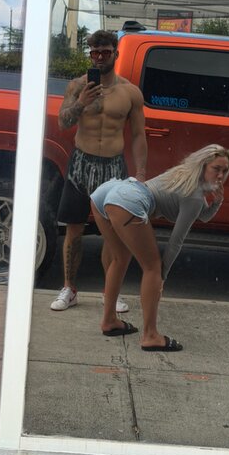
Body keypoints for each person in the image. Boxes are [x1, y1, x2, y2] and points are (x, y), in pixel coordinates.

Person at [90, 144, 229, 351]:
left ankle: (109, 321)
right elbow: (176, 241)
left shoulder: (183, 175)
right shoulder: (194, 195)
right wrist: (161, 276)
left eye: (225, 170)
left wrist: (217, 202)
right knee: (152, 268)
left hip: (107, 192)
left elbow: (203, 215)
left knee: (119, 259)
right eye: (216, 169)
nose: (220, 175)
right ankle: (150, 336)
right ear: (203, 166)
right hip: (128, 199)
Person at [50, 29, 148, 312]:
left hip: (113, 167)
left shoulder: (130, 92)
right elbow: (62, 122)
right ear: (90, 55)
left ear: (115, 53)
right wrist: (81, 103)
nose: (101, 57)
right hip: (81, 164)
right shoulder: (77, 86)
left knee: (114, 232)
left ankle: (111, 291)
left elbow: (138, 135)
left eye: (106, 52)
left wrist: (141, 175)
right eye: (95, 53)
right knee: (74, 228)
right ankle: (69, 288)